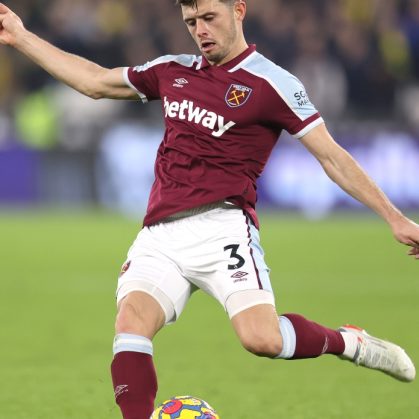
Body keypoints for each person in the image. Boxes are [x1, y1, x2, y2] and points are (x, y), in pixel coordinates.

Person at [1, 1, 418, 418]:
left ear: (239, 10)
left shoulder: (273, 83)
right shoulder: (172, 70)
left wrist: (394, 217)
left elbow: (331, 157)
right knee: (131, 322)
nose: (200, 30)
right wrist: (20, 36)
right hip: (160, 232)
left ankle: (348, 342)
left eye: (209, 18)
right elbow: (94, 81)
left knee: (262, 339)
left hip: (224, 228)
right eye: (191, 22)